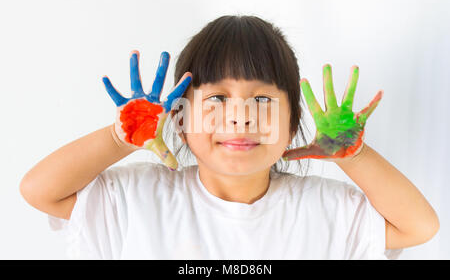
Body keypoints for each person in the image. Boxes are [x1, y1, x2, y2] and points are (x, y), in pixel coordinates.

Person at [20, 15, 439, 259]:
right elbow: (40, 191)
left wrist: (356, 156)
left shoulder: (326, 207)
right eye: (218, 97)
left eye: (262, 100)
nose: (239, 118)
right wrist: (118, 139)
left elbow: (419, 227)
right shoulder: (135, 197)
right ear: (179, 117)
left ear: (294, 122)